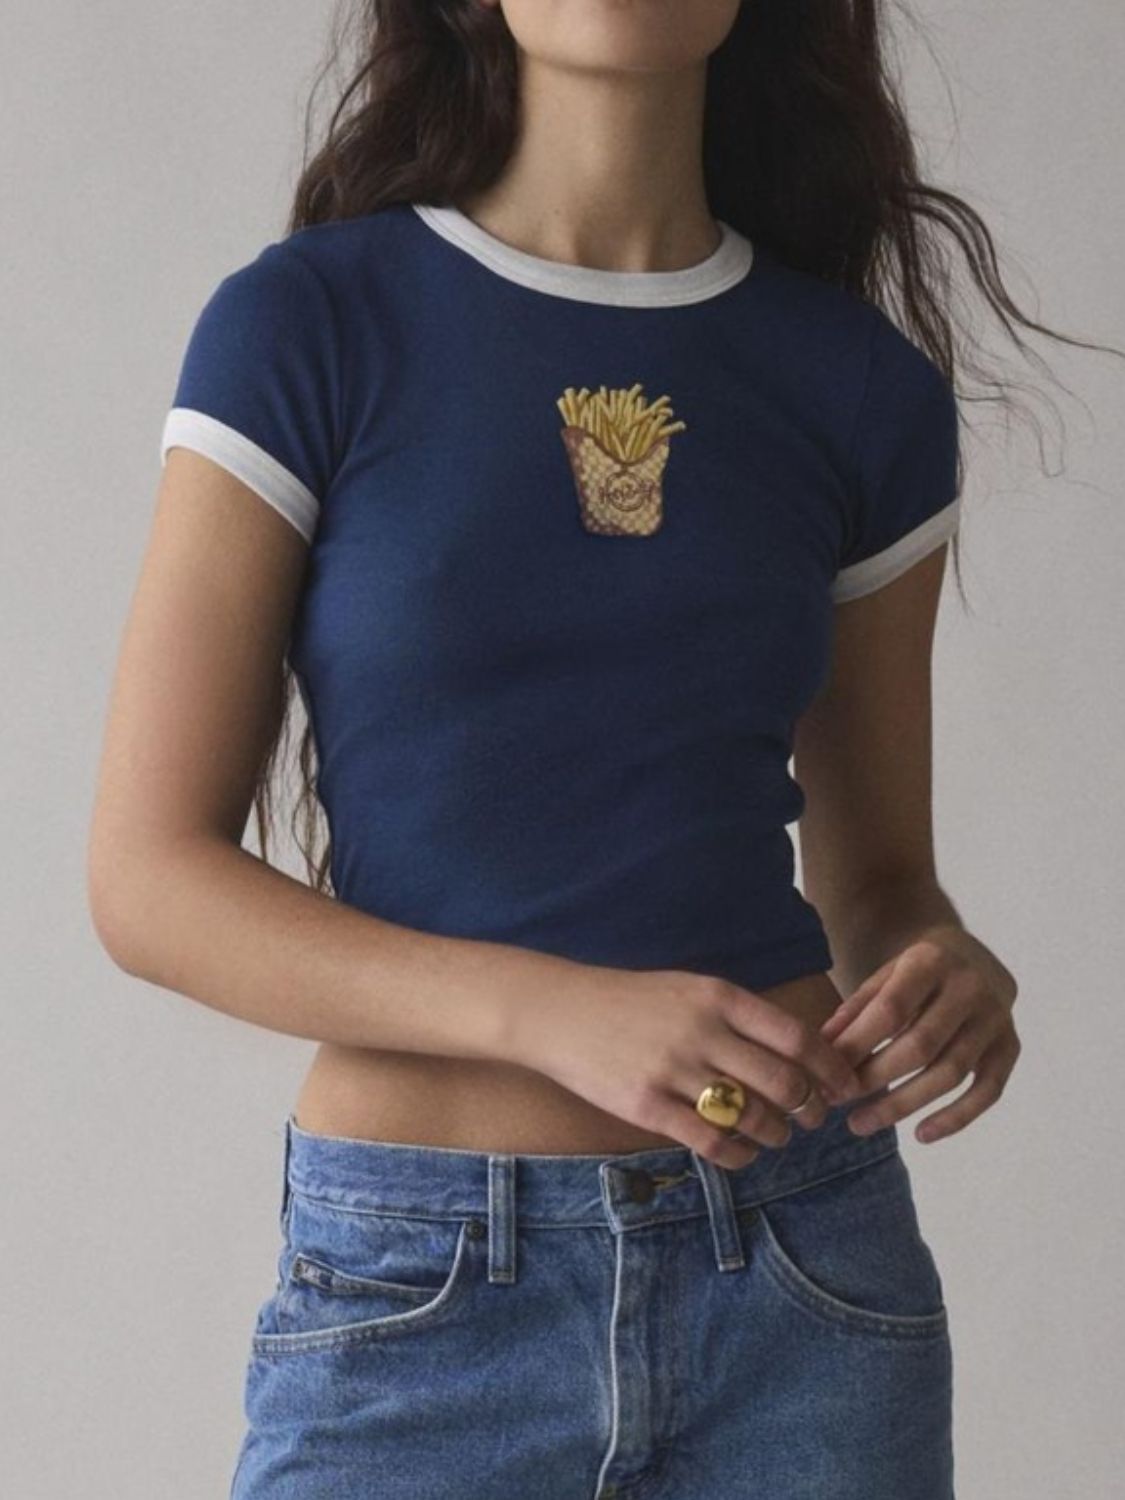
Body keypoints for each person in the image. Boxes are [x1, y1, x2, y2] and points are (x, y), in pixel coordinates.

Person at [92, 2, 1095, 1494]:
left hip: (801, 1273)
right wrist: (551, 1013)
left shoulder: (858, 384)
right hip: (417, 1292)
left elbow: (880, 876)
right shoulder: (311, 324)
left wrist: (936, 963)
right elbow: (148, 882)